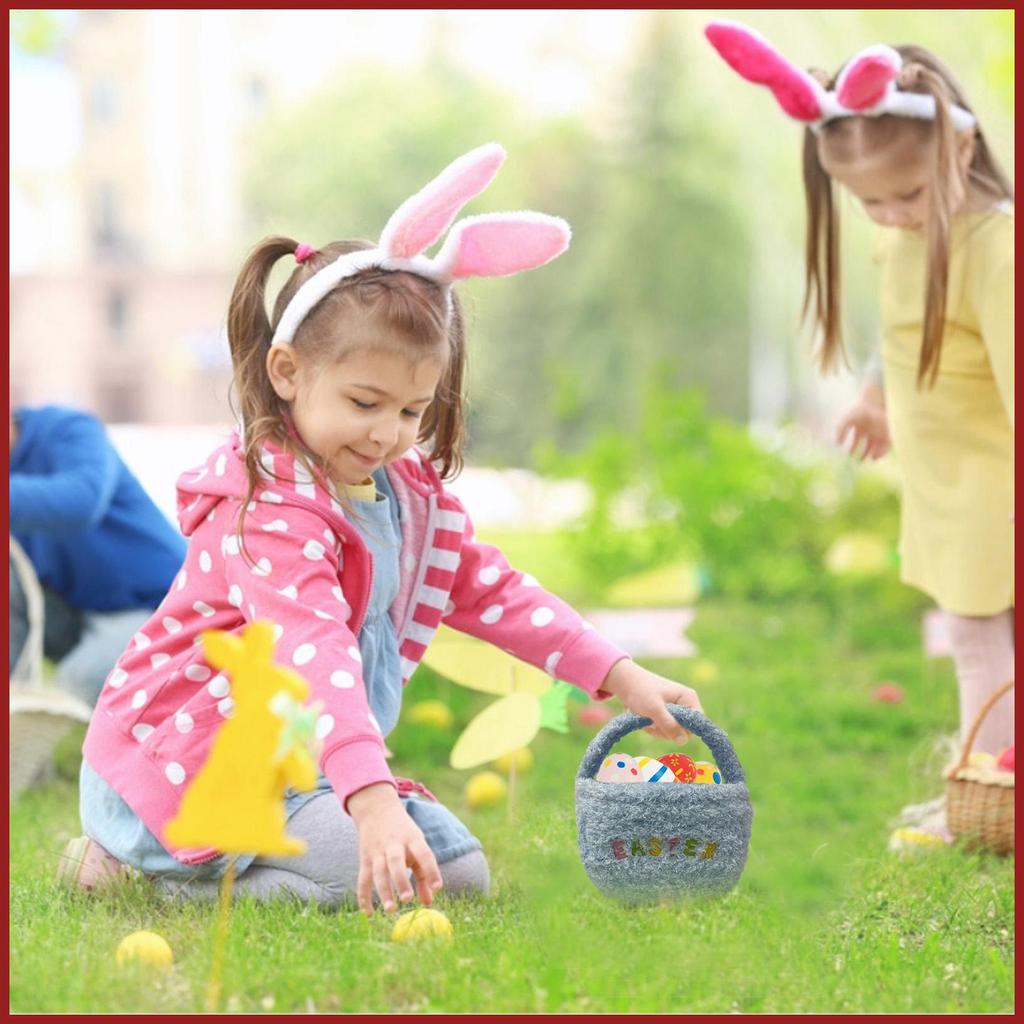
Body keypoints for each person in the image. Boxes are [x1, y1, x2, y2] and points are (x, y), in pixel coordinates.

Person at [58, 144, 704, 913]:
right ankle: (133, 872)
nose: (387, 434)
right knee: (372, 882)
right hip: (191, 765)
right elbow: (312, 650)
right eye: (365, 403)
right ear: (289, 372)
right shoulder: (267, 511)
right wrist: (371, 803)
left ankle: (311, 834)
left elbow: (495, 591)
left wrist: (622, 677)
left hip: (307, 763)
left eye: (411, 410)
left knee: (456, 877)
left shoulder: (404, 495)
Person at [707, 24, 1013, 846]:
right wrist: (875, 398)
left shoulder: (997, 249)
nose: (888, 216)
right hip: (949, 485)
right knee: (988, 647)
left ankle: (981, 800)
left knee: (985, 652)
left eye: (906, 196)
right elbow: (902, 328)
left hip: (994, 490)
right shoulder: (905, 235)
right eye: (868, 202)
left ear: (963, 143)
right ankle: (987, 785)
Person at [10, 405, 187, 706]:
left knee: (73, 686)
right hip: (75, 611)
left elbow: (83, 498)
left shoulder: (69, 429)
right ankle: (15, 708)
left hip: (152, 605)